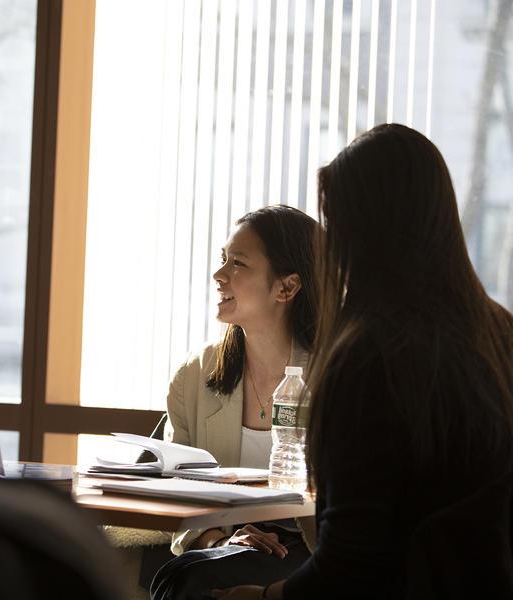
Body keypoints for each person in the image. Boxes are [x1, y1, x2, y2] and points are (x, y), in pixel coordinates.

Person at [212, 124, 513, 599]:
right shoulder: (499, 333)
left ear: (364, 231)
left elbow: (352, 562)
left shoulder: (370, 356)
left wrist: (265, 598)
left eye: (334, 224)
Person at [150, 205, 320, 599]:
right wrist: (214, 539)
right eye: (222, 259)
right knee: (190, 574)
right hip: (226, 543)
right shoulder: (195, 374)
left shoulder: (338, 373)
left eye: (238, 263)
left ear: (287, 288)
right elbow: (179, 487)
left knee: (191, 580)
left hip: (312, 546)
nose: (219, 275)